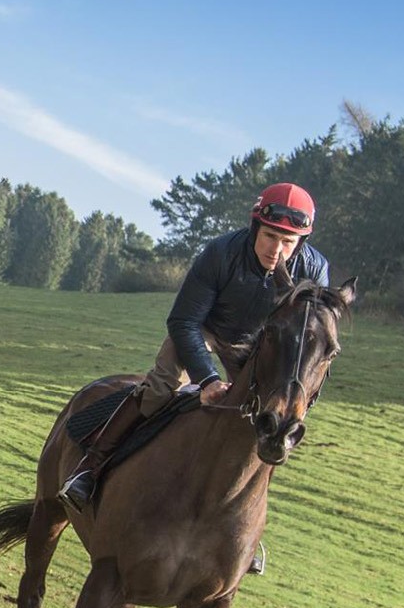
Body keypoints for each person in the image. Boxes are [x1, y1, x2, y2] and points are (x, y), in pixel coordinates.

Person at [58, 182, 332, 513]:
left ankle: (248, 522)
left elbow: (307, 338)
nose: (276, 250)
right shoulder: (220, 252)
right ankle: (90, 467)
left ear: (302, 242)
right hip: (205, 330)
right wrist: (207, 379)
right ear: (255, 227)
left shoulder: (315, 271)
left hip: (260, 346)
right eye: (270, 236)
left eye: (288, 242)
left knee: (271, 420)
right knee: (162, 387)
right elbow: (183, 321)